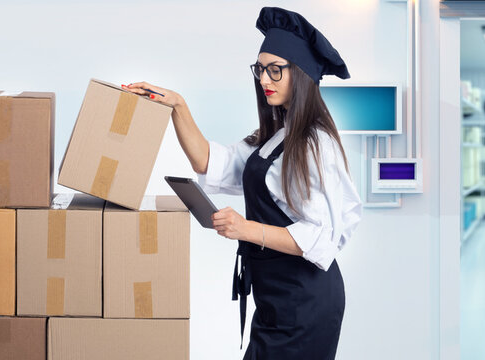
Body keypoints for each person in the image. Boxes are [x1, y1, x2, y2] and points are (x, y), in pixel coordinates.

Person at [122, 6, 362, 359]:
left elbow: (319, 238)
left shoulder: (313, 145)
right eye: (261, 69)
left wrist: (244, 227)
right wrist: (177, 105)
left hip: (305, 303)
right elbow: (209, 161)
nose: (264, 79)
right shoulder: (277, 137)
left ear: (302, 76)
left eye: (276, 70)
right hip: (277, 300)